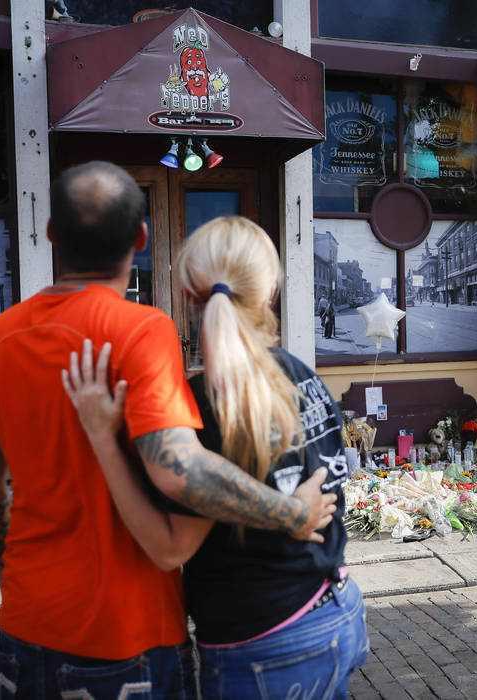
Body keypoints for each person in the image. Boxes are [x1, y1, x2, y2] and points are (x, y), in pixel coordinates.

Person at [0, 162, 336, 699]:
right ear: (141, 238)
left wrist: (14, 585)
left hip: (26, 626)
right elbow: (178, 468)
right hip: (129, 634)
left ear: (49, 234)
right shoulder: (142, 330)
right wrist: (293, 513)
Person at [63, 216, 369, 699]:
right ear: (269, 291)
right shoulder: (301, 374)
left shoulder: (204, 403)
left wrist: (103, 436)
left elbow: (170, 548)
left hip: (265, 640)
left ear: (188, 296)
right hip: (337, 606)